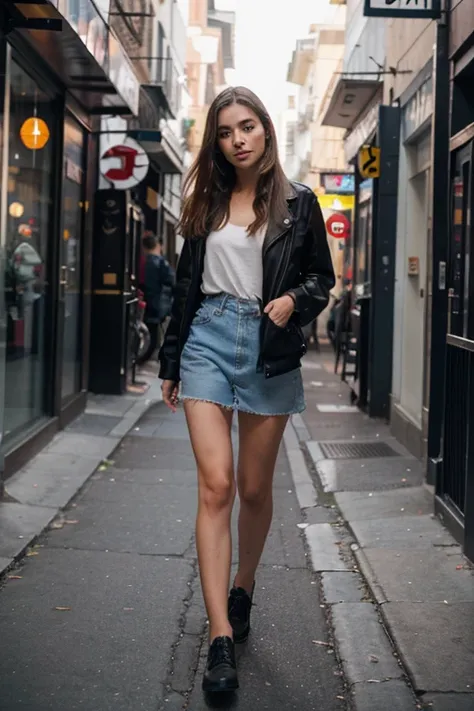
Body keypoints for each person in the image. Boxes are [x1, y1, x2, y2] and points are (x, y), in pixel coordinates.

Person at [159, 86, 335, 694]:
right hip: (208, 337)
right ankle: (219, 637)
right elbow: (186, 286)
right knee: (218, 485)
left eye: (247, 126)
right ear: (218, 141)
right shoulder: (206, 201)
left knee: (255, 489)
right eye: (226, 131)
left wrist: (293, 301)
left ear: (266, 131)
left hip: (269, 346)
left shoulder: (299, 203)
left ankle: (245, 586)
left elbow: (322, 279)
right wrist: (171, 359)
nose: (238, 139)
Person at [140, 233, 174, 363]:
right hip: (157, 303)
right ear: (157, 246)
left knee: (150, 332)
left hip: (147, 301)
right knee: (153, 335)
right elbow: (172, 281)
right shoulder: (160, 263)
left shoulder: (143, 261)